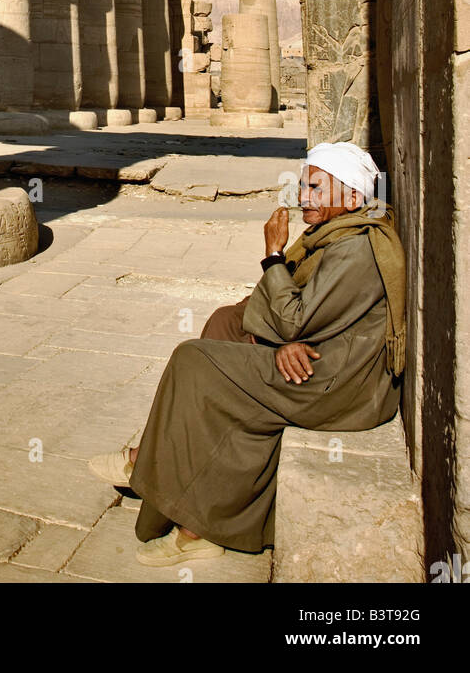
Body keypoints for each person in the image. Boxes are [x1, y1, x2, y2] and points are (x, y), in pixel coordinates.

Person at [87, 140, 406, 567]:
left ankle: (194, 522)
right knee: (225, 322)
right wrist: (282, 335)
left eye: (315, 188)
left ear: (351, 197)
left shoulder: (355, 248)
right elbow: (309, 314)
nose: (303, 198)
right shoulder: (335, 233)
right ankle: (160, 464)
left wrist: (273, 254)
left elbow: (297, 319)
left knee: (194, 360)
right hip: (320, 352)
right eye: (302, 187)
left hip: (335, 383)